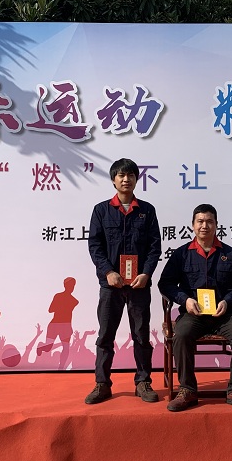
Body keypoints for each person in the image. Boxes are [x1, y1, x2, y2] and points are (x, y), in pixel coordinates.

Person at [158, 203, 232, 412]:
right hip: (193, 314)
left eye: (209, 222)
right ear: (193, 225)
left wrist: (228, 300)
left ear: (216, 225)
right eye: (200, 221)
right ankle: (187, 389)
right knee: (181, 335)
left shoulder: (229, 253)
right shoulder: (181, 254)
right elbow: (165, 283)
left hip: (224, 314)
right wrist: (185, 300)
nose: (204, 226)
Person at [85, 157, 162, 404]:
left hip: (139, 285)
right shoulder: (101, 210)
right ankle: (102, 384)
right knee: (105, 336)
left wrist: (146, 273)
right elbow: (95, 246)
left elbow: (154, 247)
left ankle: (143, 382)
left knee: (141, 336)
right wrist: (108, 271)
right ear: (113, 180)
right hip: (111, 285)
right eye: (121, 175)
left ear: (136, 180)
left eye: (130, 175)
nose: (126, 179)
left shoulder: (147, 211)